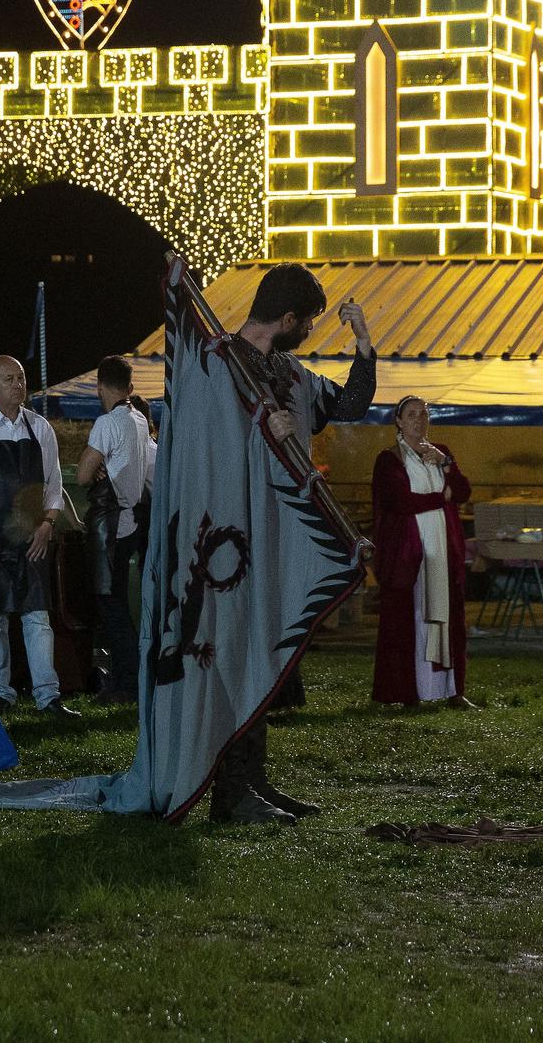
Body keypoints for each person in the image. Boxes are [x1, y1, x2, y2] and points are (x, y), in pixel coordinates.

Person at [213, 262, 377, 823]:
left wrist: (364, 343)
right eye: (307, 322)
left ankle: (254, 783)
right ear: (286, 319)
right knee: (237, 660)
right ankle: (230, 793)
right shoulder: (217, 365)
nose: (310, 331)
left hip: (278, 535)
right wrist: (259, 431)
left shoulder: (293, 375)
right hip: (229, 545)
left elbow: (350, 406)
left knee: (265, 657)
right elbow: (202, 448)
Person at [0, 355, 80, 720]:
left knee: (38, 616)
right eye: (9, 379)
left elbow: (54, 486)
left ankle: (48, 697)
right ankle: (0, 693)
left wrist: (47, 525)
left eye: (21, 377)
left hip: (33, 539)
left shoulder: (41, 429)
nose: (18, 384)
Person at [371, 396, 476, 709]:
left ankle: (451, 689)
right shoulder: (390, 459)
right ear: (399, 422)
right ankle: (409, 692)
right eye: (412, 414)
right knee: (412, 620)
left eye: (424, 414)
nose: (419, 420)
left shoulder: (440, 453)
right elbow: (400, 502)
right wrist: (442, 497)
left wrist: (444, 464)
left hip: (444, 551)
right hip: (411, 554)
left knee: (448, 619)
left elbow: (464, 491)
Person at [76, 355, 156, 704]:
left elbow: (81, 474)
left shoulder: (106, 423)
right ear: (129, 386)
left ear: (99, 386)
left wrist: (96, 468)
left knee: (112, 606)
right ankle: (130, 678)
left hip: (112, 525)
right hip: (133, 522)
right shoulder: (139, 419)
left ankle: (127, 682)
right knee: (119, 603)